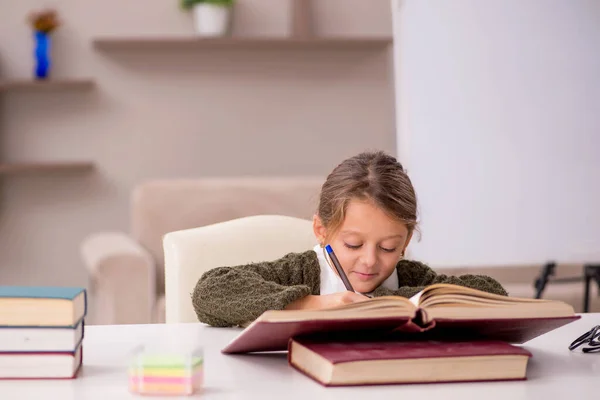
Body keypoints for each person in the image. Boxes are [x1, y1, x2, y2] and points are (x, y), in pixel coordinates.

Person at [191, 151, 507, 327]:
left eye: (388, 247)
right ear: (321, 230)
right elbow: (210, 290)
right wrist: (315, 304)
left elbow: (494, 294)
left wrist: (384, 305)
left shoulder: (410, 277)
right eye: (353, 245)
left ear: (407, 239)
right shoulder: (301, 272)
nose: (370, 261)